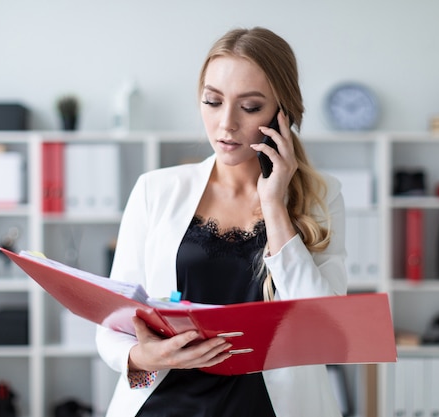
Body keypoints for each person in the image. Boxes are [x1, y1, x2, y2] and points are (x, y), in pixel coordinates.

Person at [96, 26, 347, 417]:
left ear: (283, 114)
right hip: (165, 405)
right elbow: (114, 322)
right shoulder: (155, 190)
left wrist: (275, 206)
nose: (225, 124)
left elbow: (325, 328)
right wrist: (142, 358)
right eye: (212, 101)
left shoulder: (321, 195)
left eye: (249, 107)